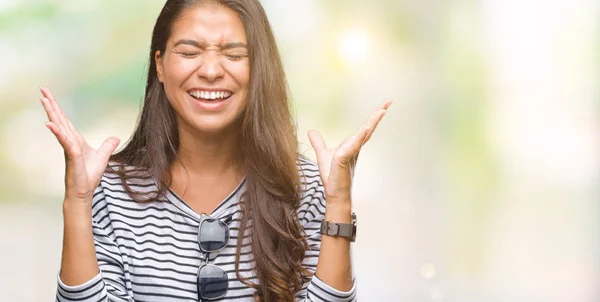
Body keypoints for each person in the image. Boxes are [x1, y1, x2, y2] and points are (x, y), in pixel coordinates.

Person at [41, 0, 391, 301]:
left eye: (234, 54)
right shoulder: (108, 189)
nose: (210, 71)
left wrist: (339, 203)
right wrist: (77, 200)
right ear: (160, 65)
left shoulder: (306, 186)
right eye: (190, 52)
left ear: (258, 69)